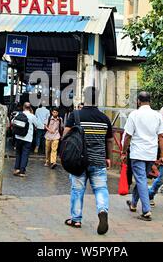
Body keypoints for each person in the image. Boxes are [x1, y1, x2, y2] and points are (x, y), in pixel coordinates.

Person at [63, 86, 113, 235]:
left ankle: (76, 219)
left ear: (84, 98)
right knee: (101, 189)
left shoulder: (75, 115)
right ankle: (102, 210)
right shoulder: (104, 118)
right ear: (97, 98)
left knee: (77, 190)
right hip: (98, 160)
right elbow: (109, 140)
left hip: (79, 161)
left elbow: (65, 136)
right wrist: (108, 158)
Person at [121, 91, 163, 221]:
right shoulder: (157, 115)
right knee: (141, 179)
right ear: (150, 101)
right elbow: (162, 136)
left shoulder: (134, 114)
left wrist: (124, 152)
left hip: (137, 153)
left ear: (138, 101)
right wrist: (162, 155)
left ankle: (146, 211)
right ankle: (134, 203)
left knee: (141, 180)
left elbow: (128, 136)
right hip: (151, 153)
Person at [13, 102, 41, 177]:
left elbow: (13, 122)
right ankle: (22, 171)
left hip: (18, 136)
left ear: (23, 107)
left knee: (18, 153)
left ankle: (16, 169)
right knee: (25, 154)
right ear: (30, 108)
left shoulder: (18, 114)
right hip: (27, 138)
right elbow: (38, 125)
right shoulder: (32, 116)